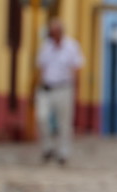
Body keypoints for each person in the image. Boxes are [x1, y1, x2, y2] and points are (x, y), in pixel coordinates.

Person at [36, 18, 84, 164]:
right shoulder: (46, 46)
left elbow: (76, 69)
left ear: (61, 31)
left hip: (64, 88)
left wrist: (77, 91)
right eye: (51, 31)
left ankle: (63, 152)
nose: (53, 33)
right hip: (46, 88)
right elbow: (40, 68)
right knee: (41, 117)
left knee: (64, 122)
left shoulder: (71, 46)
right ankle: (48, 147)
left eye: (55, 30)